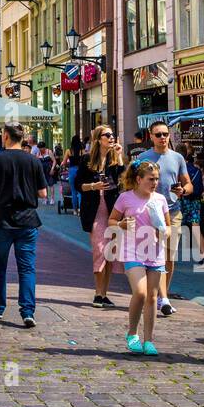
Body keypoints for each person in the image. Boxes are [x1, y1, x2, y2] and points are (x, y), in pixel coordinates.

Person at [0, 123, 50, 327]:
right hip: (27, 220)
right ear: (22, 138)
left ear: (5, 136)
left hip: (1, 219)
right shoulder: (33, 161)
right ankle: (28, 310)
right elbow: (43, 193)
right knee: (27, 268)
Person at [109, 159, 170, 355]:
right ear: (138, 179)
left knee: (152, 298)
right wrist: (121, 225)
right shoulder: (125, 198)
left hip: (155, 252)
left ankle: (149, 340)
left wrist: (164, 231)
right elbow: (111, 220)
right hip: (132, 251)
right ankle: (132, 333)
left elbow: (169, 229)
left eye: (157, 179)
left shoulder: (160, 199)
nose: (154, 183)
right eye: (150, 179)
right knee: (141, 292)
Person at [136, 121, 191, 316]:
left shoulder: (177, 157)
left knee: (168, 256)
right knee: (151, 256)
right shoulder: (143, 158)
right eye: (158, 134)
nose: (162, 137)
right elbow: (132, 183)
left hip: (173, 213)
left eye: (165, 134)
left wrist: (183, 190)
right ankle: (158, 296)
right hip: (148, 213)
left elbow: (188, 184)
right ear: (150, 136)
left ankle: (163, 297)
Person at [77, 125, 123, 308]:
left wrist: (119, 156)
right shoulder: (87, 159)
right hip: (94, 211)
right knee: (99, 250)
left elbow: (125, 179)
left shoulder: (114, 159)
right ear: (98, 139)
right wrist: (93, 186)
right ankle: (97, 293)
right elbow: (78, 184)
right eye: (107, 135)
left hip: (113, 211)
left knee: (110, 253)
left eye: (113, 135)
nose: (111, 138)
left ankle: (105, 294)